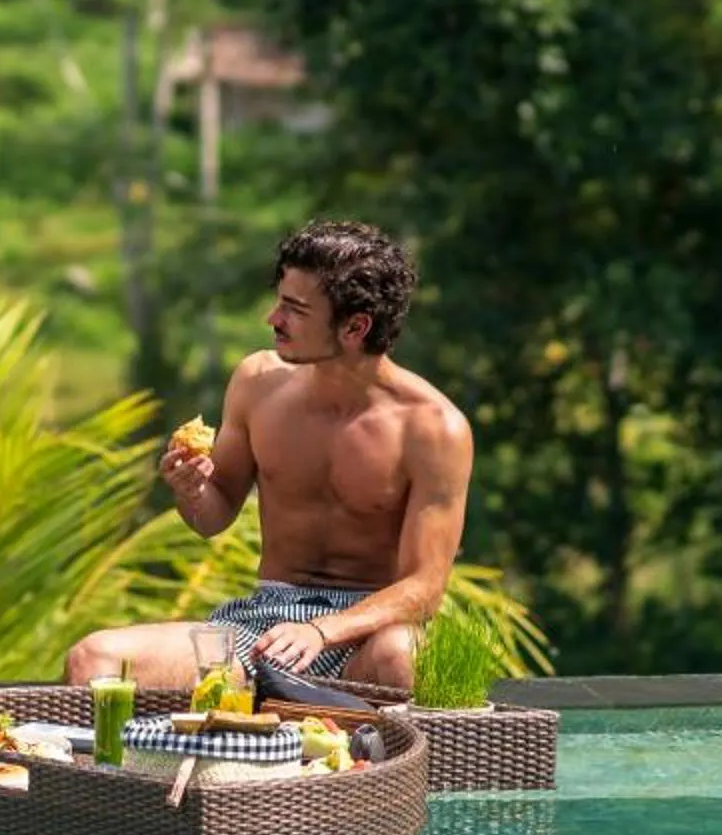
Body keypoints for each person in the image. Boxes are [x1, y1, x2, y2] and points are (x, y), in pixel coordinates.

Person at [65, 220, 472, 694]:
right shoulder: (258, 384)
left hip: (364, 636)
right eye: (281, 300)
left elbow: (424, 589)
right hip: (262, 627)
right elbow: (213, 517)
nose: (273, 319)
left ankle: (380, 765)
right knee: (93, 660)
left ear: (355, 327)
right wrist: (192, 490)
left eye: (295, 309)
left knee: (402, 653)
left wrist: (323, 631)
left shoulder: (433, 428)